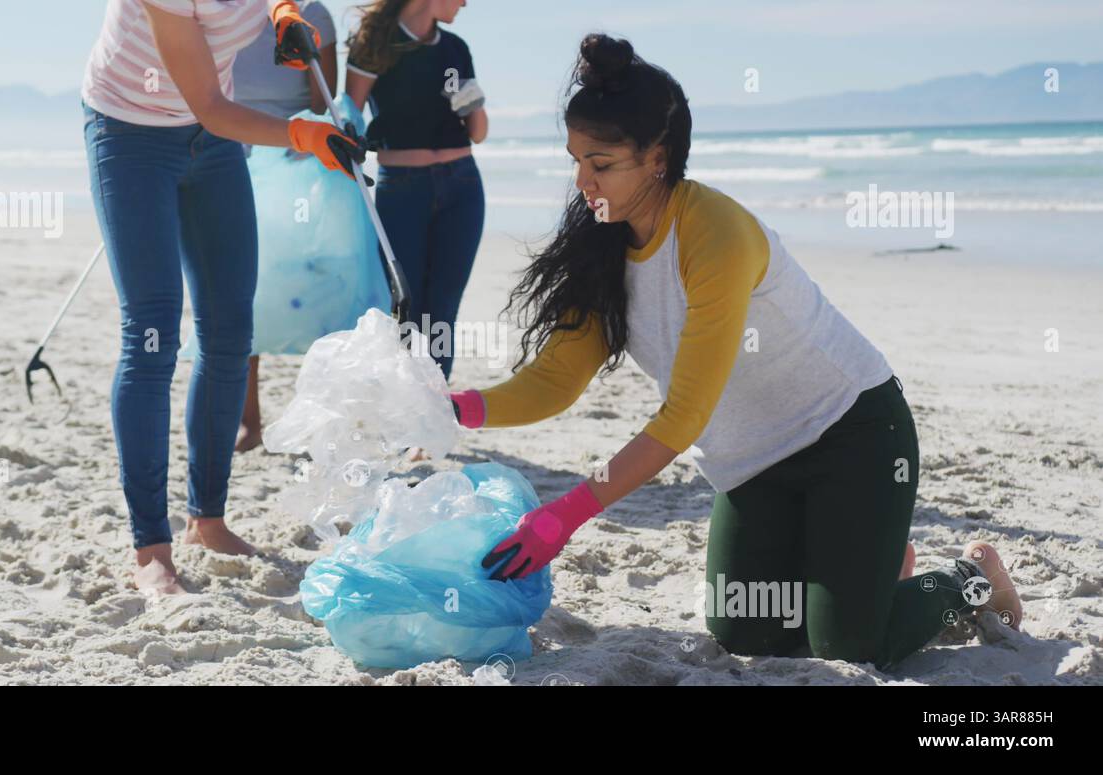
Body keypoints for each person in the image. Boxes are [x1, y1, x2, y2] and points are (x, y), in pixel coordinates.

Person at [449, 34, 1023, 670]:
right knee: (748, 634)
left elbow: (683, 418)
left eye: (602, 163)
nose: (583, 181)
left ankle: (969, 582)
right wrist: (455, 409)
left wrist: (564, 517)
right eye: (577, 160)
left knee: (851, 645)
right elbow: (555, 381)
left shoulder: (714, 233)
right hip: (753, 466)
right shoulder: (604, 243)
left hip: (852, 434)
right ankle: (861, 575)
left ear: (658, 157)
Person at [81, 0, 367, 595]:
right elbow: (210, 107)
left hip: (211, 145)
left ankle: (206, 520)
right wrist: (301, 133)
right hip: (131, 133)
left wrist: (285, 10)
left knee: (232, 327)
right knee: (153, 333)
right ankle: (150, 550)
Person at [345, 0, 487, 382]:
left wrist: (469, 98)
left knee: (442, 310)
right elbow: (348, 120)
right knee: (408, 309)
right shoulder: (373, 44)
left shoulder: (456, 49)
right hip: (401, 191)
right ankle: (410, 413)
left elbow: (478, 131)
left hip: (463, 187)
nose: (465, 2)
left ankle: (432, 417)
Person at [226, 0, 338, 453]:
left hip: (293, 165)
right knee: (243, 291)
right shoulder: (222, 11)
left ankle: (316, 420)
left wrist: (305, 141)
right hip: (230, 159)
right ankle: (248, 423)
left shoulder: (314, 14)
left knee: (308, 294)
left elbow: (323, 99)